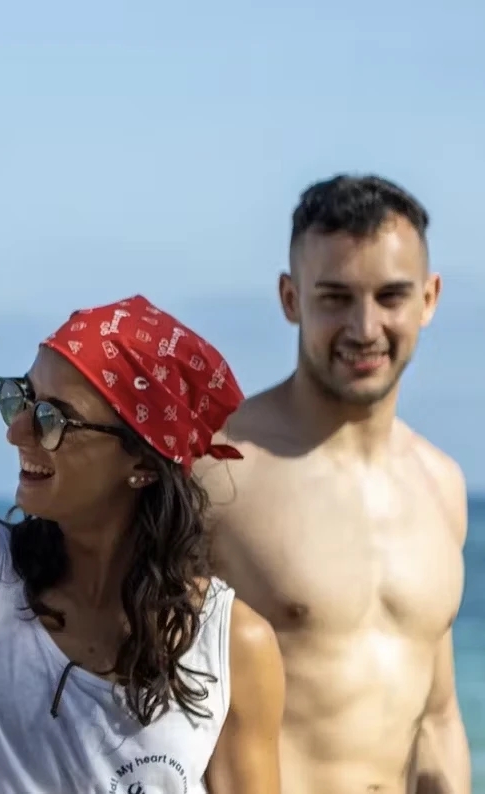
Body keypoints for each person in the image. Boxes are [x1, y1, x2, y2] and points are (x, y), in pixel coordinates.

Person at [0, 293, 287, 793]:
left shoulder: (231, 644)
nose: (17, 432)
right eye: (20, 400)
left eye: (53, 419)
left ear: (140, 463)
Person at [197, 175, 470, 794]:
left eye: (391, 296)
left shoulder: (442, 485)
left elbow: (438, 718)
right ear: (290, 299)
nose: (365, 327)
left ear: (429, 298)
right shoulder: (217, 466)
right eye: (336, 298)